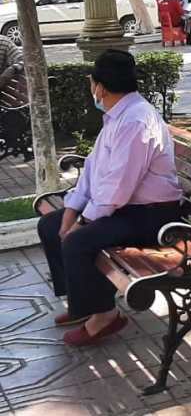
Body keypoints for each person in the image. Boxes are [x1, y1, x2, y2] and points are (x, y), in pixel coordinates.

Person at [35, 50, 182, 346]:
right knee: (50, 226)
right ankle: (82, 305)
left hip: (152, 216)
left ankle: (105, 316)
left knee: (78, 241)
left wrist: (82, 222)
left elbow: (118, 187)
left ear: (100, 87)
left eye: (92, 82)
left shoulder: (136, 121)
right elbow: (93, 169)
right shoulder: (118, 116)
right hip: (127, 208)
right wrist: (71, 211)